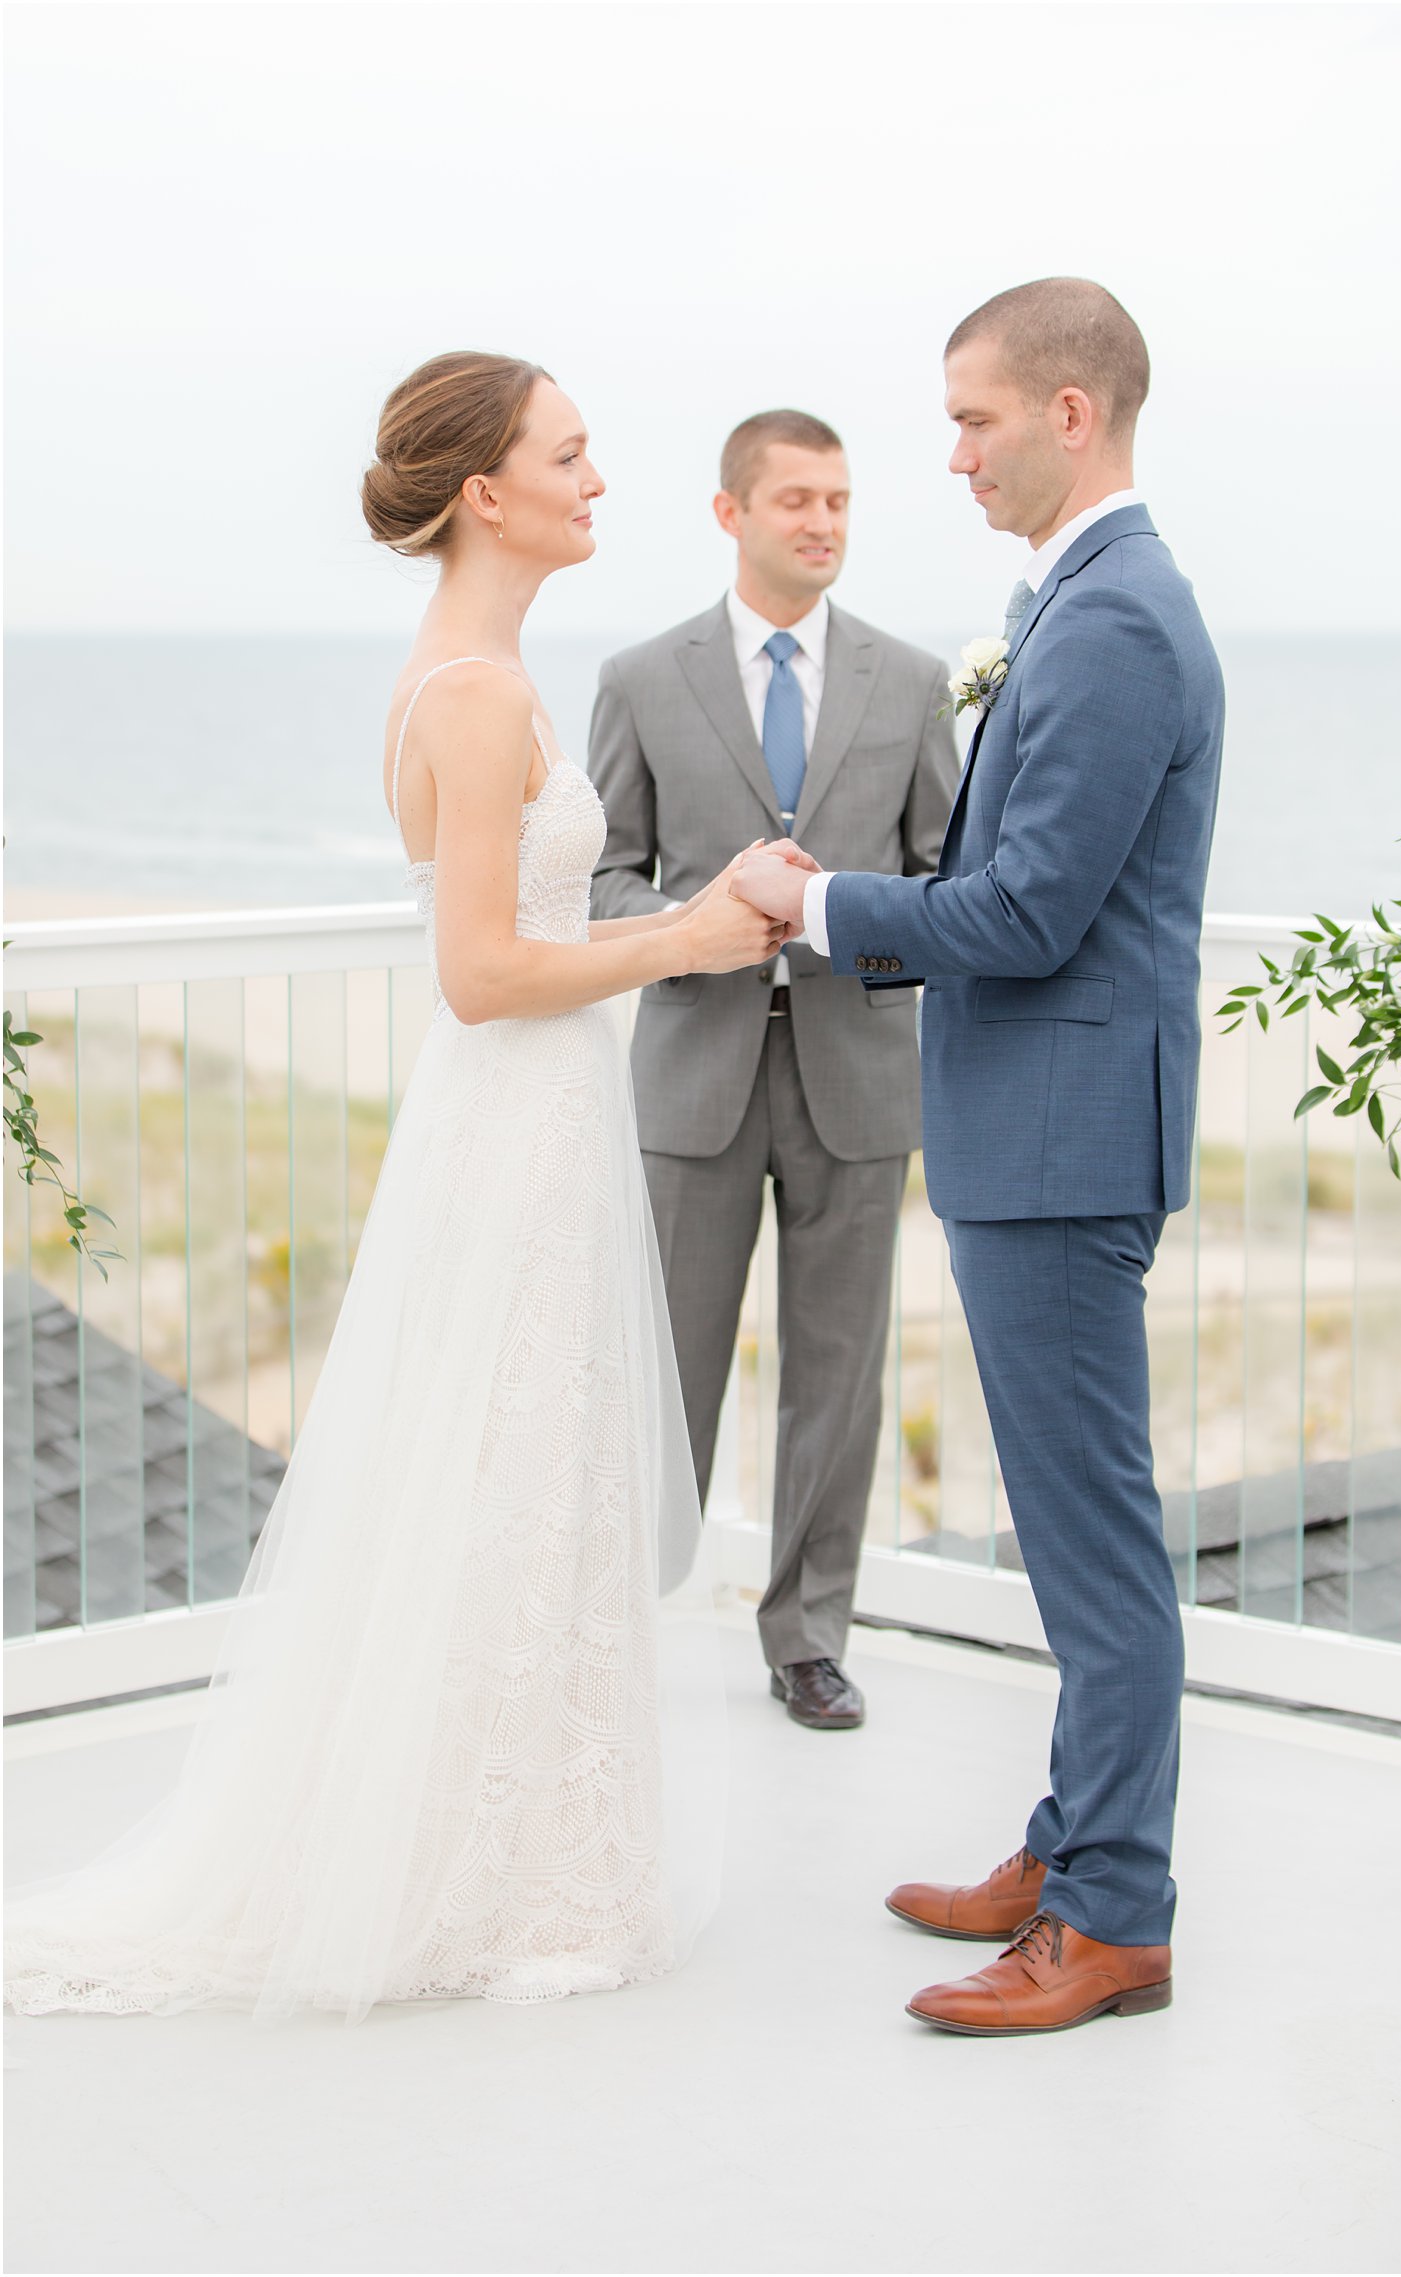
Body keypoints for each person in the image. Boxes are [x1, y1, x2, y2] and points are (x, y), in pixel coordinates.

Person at [5, 352, 786, 2021]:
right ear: (486, 493)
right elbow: (487, 971)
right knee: (511, 1474)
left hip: (534, 1119)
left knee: (533, 1477)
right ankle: (498, 1883)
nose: (598, 483)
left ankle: (529, 1863)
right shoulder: (478, 694)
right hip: (515, 1109)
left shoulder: (479, 670)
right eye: (571, 458)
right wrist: (694, 933)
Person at [734, 280, 1226, 2032]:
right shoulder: (1090, 603)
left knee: (1092, 1540)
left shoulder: (1111, 625)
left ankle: (1113, 1916)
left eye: (975, 419)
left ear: (1071, 413)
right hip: (1045, 1130)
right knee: (1073, 1521)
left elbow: (1023, 910)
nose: (949, 455)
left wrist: (819, 904)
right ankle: (1072, 1842)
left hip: (1064, 1139)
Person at [586, 410, 958, 1730]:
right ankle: (621, 1620)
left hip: (857, 1073)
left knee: (838, 1370)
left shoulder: (912, 683)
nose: (823, 522)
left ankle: (807, 1635)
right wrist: (713, 908)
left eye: (841, 500)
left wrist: (842, 911)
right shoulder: (641, 677)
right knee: (661, 1362)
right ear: (730, 512)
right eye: (795, 498)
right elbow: (601, 875)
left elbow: (942, 887)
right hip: (695, 1069)